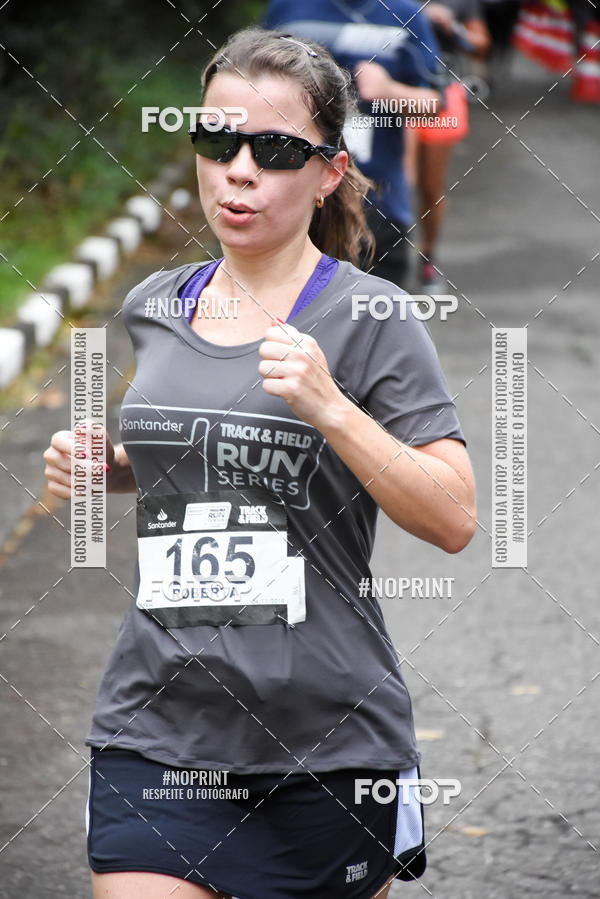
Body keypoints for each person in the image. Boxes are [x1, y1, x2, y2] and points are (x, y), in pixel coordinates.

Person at [43, 26, 476, 899]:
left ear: (326, 172)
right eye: (217, 139)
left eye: (273, 149)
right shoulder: (155, 304)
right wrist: (115, 465)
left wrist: (330, 408)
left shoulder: (373, 317)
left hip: (330, 739)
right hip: (158, 726)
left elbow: (453, 517)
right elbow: (209, 448)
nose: (238, 168)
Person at [263, 0, 445, 289]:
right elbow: (252, 85)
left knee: (375, 323)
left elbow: (435, 103)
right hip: (294, 199)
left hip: (377, 204)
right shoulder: (287, 9)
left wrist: (390, 91)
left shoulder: (405, 14)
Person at [404, 0, 491, 290]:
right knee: (401, 180)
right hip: (396, 92)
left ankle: (427, 257)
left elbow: (480, 44)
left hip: (442, 95)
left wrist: (450, 25)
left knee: (430, 187)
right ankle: (383, 255)